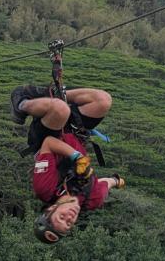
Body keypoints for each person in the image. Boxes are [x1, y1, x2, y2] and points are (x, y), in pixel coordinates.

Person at [10, 85, 124, 242]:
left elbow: (49, 143)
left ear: (51, 209)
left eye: (61, 217)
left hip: (48, 135)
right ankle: (54, 94)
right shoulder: (92, 199)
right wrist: (117, 181)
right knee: (103, 101)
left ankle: (21, 104)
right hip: (75, 133)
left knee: (60, 108)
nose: (69, 217)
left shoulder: (46, 190)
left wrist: (76, 157)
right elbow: (104, 184)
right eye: (69, 222)